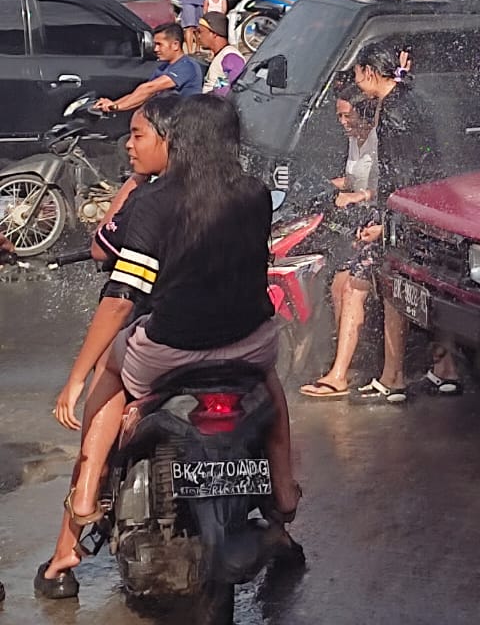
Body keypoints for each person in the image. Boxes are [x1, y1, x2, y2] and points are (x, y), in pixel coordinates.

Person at [36, 96, 300, 600]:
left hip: (170, 348)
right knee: (271, 388)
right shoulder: (255, 194)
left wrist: (76, 378)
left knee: (107, 383)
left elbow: (120, 300)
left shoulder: (155, 203)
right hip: (249, 344)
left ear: (177, 140)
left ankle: (78, 521)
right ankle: (284, 493)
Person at [348, 43, 461, 404]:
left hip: (409, 214)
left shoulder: (395, 111)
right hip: (431, 208)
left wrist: (387, 221)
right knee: (434, 288)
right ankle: (446, 368)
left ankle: (393, 377)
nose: (355, 80)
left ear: (369, 72)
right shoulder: (407, 98)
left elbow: (403, 172)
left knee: (394, 288)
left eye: (356, 73)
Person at [299, 87, 380, 399]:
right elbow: (352, 177)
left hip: (373, 223)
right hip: (352, 222)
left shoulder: (378, 140)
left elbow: (382, 183)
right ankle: (348, 360)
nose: (344, 122)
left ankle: (341, 371)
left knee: (349, 290)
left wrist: (360, 196)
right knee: (336, 287)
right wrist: (323, 186)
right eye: (340, 116)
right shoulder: (353, 141)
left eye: (349, 115)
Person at [95, 23, 203, 114]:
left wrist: (117, 107)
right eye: (155, 44)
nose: (155, 49)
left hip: (185, 121)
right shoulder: (163, 68)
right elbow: (142, 93)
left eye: (159, 44)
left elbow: (149, 88)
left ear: (175, 45)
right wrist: (114, 104)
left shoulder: (187, 66)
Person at [196, 11, 246, 97]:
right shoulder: (221, 55)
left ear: (214, 33)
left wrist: (211, 96)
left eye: (201, 32)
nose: (198, 36)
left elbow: (231, 83)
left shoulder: (229, 56)